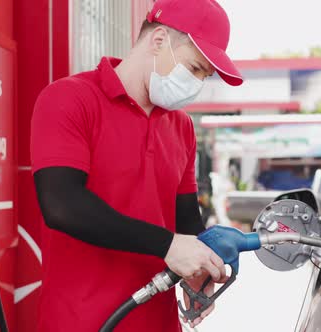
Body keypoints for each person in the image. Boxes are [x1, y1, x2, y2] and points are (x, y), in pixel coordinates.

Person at [30, 0, 243, 330]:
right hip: (79, 320)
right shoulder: (69, 99)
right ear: (158, 40)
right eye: (195, 68)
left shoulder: (182, 127)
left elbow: (185, 221)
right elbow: (62, 205)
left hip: (156, 320)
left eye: (204, 75)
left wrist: (200, 269)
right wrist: (168, 245)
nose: (198, 82)